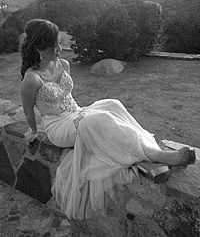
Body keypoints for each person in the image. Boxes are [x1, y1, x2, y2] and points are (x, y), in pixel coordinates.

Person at [20, 19, 196, 220]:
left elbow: (68, 97)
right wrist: (33, 131)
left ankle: (144, 146)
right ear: (38, 47)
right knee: (96, 120)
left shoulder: (63, 64)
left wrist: (82, 112)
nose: (60, 48)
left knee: (112, 104)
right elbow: (27, 111)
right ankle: (158, 156)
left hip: (77, 112)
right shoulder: (31, 79)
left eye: (59, 42)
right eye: (54, 44)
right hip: (59, 126)